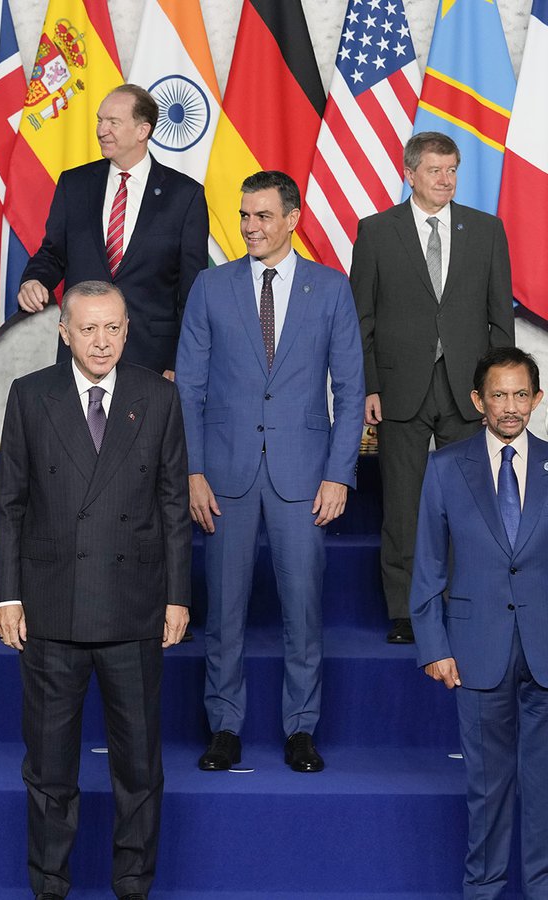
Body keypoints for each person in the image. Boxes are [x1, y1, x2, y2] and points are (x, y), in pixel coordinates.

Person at [0, 281, 191, 900]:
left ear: (127, 330)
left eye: (113, 328)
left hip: (135, 608)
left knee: (139, 769)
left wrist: (178, 596)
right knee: (50, 769)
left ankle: (134, 885)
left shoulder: (158, 397)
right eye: (88, 329)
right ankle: (50, 885)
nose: (102, 341)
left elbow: (173, 506)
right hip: (51, 610)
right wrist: (7, 596)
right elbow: (9, 506)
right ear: (64, 331)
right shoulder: (30, 395)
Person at [176, 170, 364, 775]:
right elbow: (191, 388)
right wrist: (193, 472)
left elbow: (351, 389)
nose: (250, 227)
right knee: (223, 610)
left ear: (292, 218)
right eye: (244, 216)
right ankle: (225, 726)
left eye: (261, 216)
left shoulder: (331, 289)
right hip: (223, 475)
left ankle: (301, 730)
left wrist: (339, 474)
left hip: (305, 477)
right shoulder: (209, 287)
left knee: (303, 610)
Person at [351, 131, 515, 645]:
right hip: (400, 390)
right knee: (403, 503)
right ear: (410, 173)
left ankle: (462, 606)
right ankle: (405, 610)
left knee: (467, 503)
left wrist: (497, 391)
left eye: (452, 170)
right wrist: (370, 386)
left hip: (467, 390)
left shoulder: (486, 230)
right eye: (435, 171)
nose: (445, 180)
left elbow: (499, 322)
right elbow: (363, 319)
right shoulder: (377, 231)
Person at [410, 346, 548, 900]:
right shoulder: (446, 468)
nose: (510, 406)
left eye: (521, 394)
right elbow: (426, 567)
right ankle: (485, 891)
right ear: (477, 401)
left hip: (544, 649)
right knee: (486, 791)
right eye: (499, 395)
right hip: (473, 651)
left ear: (537, 400)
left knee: (543, 791)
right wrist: (433, 646)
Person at [17, 84, 208, 378]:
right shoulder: (74, 185)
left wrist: (177, 361)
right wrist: (35, 279)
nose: (101, 130)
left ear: (142, 130)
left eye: (113, 122)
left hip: (152, 359)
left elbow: (192, 289)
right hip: (81, 353)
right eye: (99, 120)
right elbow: (54, 253)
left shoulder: (184, 196)